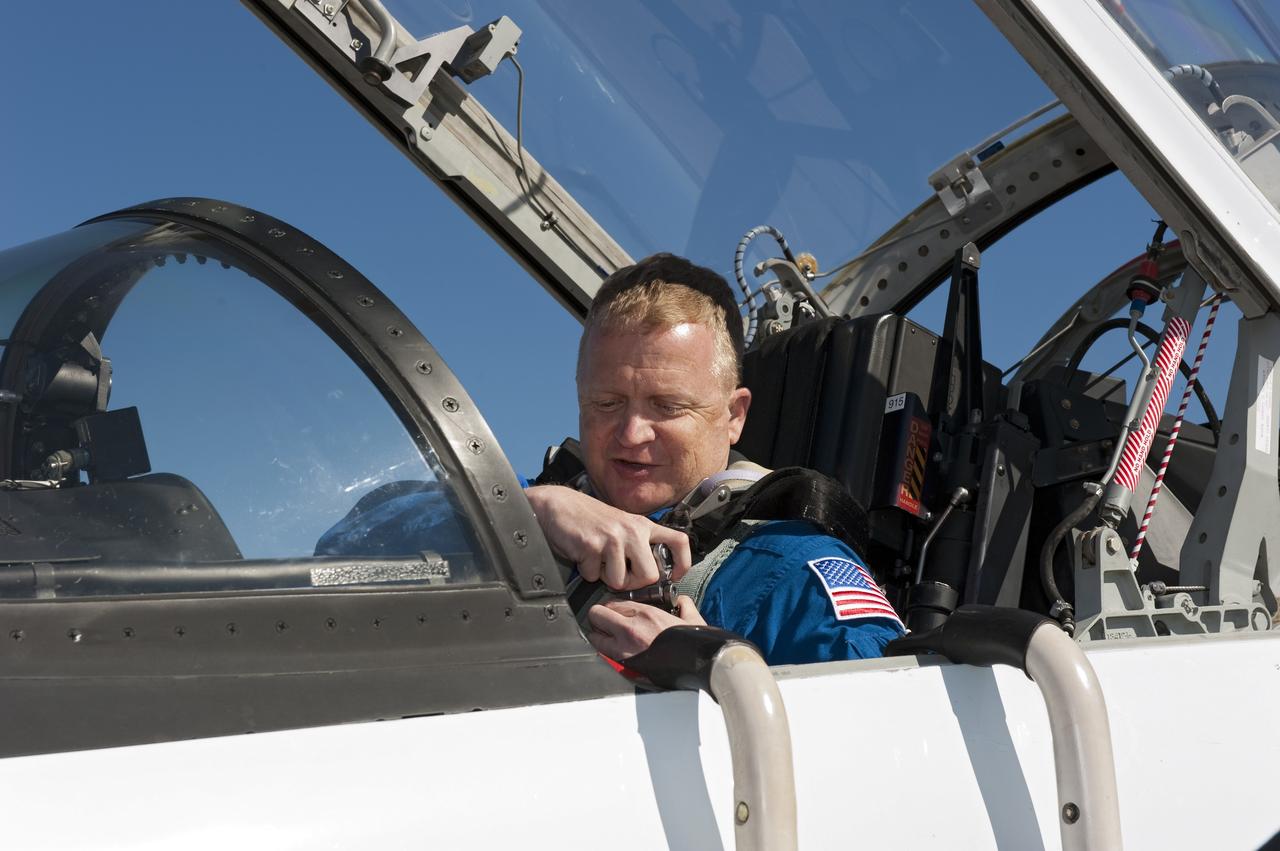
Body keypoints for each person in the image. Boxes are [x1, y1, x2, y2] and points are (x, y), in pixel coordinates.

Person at [525, 253, 904, 666]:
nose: (631, 434)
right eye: (606, 403)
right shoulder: (517, 512)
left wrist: (710, 666)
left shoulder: (793, 569)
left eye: (667, 406)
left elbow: (893, 714)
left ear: (734, 416)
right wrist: (528, 511)